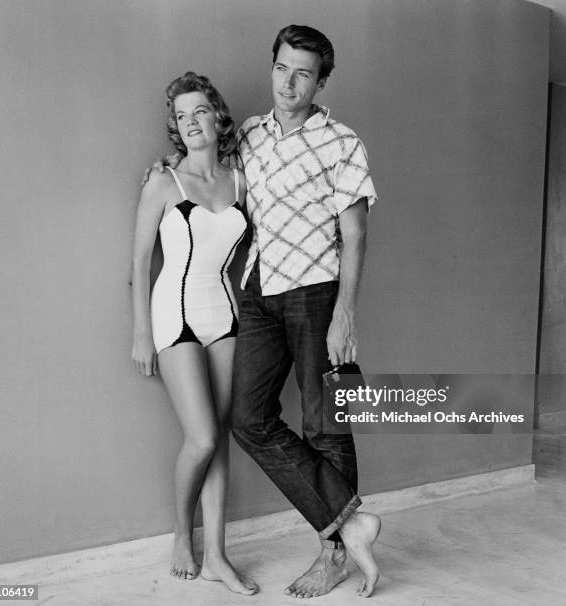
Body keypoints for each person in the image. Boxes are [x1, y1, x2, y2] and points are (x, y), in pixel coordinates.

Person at [148, 24, 382, 599]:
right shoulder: (250, 134)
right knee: (249, 421)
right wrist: (160, 174)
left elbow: (355, 236)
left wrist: (345, 314)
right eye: (282, 68)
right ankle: (353, 524)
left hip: (318, 293)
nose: (289, 82)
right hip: (256, 295)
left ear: (320, 81)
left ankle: (333, 555)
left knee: (326, 424)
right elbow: (207, 177)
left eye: (303, 73)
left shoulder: (343, 143)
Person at [131, 72, 258, 596]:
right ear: (176, 128)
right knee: (201, 437)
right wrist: (141, 331)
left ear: (217, 115)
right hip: (174, 314)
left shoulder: (241, 181)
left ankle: (218, 557)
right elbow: (140, 259)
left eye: (199, 111)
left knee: (221, 441)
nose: (191, 122)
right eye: (181, 116)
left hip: (225, 314)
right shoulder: (163, 182)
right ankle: (183, 536)